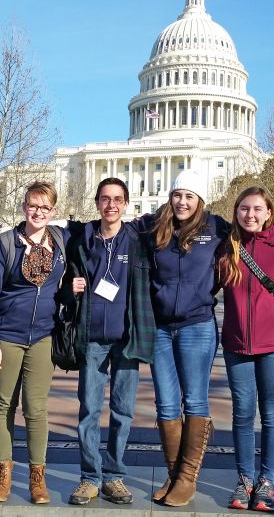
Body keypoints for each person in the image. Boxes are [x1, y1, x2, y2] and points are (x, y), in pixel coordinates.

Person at [140, 169, 230, 507]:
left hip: (197, 325)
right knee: (165, 403)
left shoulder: (217, 227)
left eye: (189, 196)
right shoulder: (153, 227)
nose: (182, 201)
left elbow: (254, 233)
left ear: (199, 199)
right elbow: (113, 231)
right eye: (178, 194)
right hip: (161, 327)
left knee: (194, 401)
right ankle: (174, 473)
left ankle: (188, 476)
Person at [65, 178, 155, 506]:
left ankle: (114, 476)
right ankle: (90, 477)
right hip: (91, 337)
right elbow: (64, 278)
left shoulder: (138, 240)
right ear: (97, 203)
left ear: (127, 204)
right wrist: (68, 288)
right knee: (89, 409)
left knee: (123, 410)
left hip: (126, 338)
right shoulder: (83, 239)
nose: (111, 205)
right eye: (105, 199)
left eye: (117, 199)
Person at [0, 181, 66, 505]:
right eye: (33, 205)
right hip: (8, 336)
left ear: (53, 210)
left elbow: (67, 282)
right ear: (24, 206)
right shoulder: (5, 245)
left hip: (44, 335)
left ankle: (36, 479)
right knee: (4, 405)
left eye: (45, 207)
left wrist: (75, 287)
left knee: (36, 408)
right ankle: (3, 476)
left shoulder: (60, 240)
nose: (38, 212)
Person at [218, 186, 274, 513]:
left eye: (257, 209)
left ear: (268, 212)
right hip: (237, 343)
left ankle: (267, 482)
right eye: (244, 208)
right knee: (243, 413)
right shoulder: (226, 248)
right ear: (236, 212)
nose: (250, 214)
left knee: (272, 413)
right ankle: (245, 479)